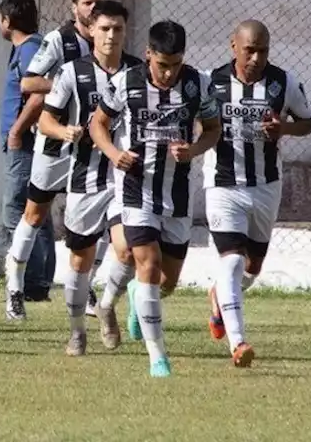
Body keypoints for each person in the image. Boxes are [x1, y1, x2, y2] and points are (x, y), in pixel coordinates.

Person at [88, 20, 221, 378]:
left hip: (176, 192)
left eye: (175, 64)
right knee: (145, 261)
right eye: (162, 65)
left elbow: (213, 130)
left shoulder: (198, 84)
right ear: (148, 55)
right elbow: (97, 124)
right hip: (135, 189)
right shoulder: (126, 83)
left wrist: (193, 150)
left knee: (168, 282)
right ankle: (157, 357)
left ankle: (135, 296)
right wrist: (114, 154)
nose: (168, 72)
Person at [204, 20, 311, 367]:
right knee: (232, 260)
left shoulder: (285, 83)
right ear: (233, 46)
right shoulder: (210, 82)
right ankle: (239, 344)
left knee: (252, 267)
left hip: (266, 184)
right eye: (249, 50)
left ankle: (219, 297)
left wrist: (284, 128)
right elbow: (193, 117)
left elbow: (310, 121)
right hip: (222, 183)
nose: (255, 57)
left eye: (262, 51)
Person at [35, 0, 141, 356]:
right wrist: (64, 131)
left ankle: (108, 304)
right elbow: (45, 119)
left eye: (118, 29)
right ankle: (77, 330)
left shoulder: (139, 73)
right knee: (79, 261)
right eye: (105, 28)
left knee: (126, 249)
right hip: (85, 178)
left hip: (126, 178)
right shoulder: (71, 72)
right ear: (91, 30)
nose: (112, 35)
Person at [12, 0, 104, 304]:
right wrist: (65, 84)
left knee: (95, 223)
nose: (93, 8)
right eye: (87, 2)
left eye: (98, 2)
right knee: (35, 216)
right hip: (54, 144)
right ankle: (15, 288)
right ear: (74, 7)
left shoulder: (108, 43)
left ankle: (83, 285)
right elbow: (28, 82)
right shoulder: (58, 40)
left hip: (92, 151)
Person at [0, 0, 42, 321]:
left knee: (17, 210)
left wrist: (16, 131)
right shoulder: (23, 49)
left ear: (7, 21)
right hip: (21, 141)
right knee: (32, 209)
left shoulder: (29, 50)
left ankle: (26, 281)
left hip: (24, 143)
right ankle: (34, 281)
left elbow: (37, 93)